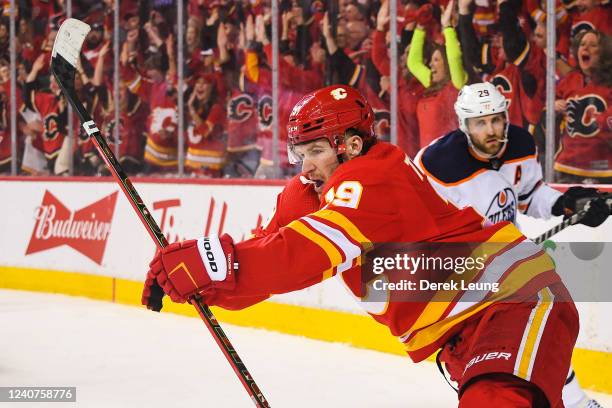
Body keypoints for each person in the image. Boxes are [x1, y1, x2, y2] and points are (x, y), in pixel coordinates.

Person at [142, 85, 579, 407]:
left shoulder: (375, 175)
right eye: (300, 152)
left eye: (315, 150)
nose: (304, 165)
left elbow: (304, 255)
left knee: (495, 402)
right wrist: (203, 283)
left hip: (514, 301)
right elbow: (270, 255)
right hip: (460, 334)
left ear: (350, 145)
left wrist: (212, 266)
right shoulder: (311, 190)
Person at [415, 82, 610, 408]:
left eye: (496, 119)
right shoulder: (437, 165)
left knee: (540, 337)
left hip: (508, 265)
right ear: (464, 125)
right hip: (458, 280)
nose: (491, 130)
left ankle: (576, 403)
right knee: (481, 363)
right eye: (480, 122)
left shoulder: (519, 143)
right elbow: (420, 232)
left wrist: (567, 204)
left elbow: (530, 193)